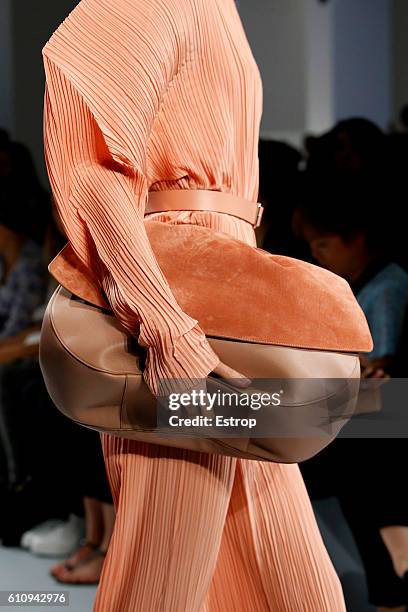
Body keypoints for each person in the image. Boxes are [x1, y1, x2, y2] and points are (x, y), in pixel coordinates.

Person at [41, 0, 346, 610]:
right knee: (162, 580)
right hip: (181, 300)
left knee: (293, 589)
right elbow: (93, 165)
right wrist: (161, 323)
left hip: (221, 299)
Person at [295, 176, 408, 612]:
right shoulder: (359, 284)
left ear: (355, 239)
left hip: (383, 412)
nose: (316, 256)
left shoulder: (386, 287)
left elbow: (380, 364)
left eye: (323, 245)